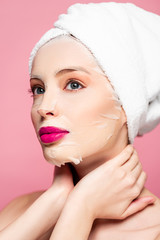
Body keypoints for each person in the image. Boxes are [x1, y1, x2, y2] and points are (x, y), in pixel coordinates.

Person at [0, 2, 160, 239]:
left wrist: (81, 208)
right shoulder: (21, 211)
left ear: (128, 104)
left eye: (74, 84)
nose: (44, 108)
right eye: (39, 89)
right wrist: (61, 204)